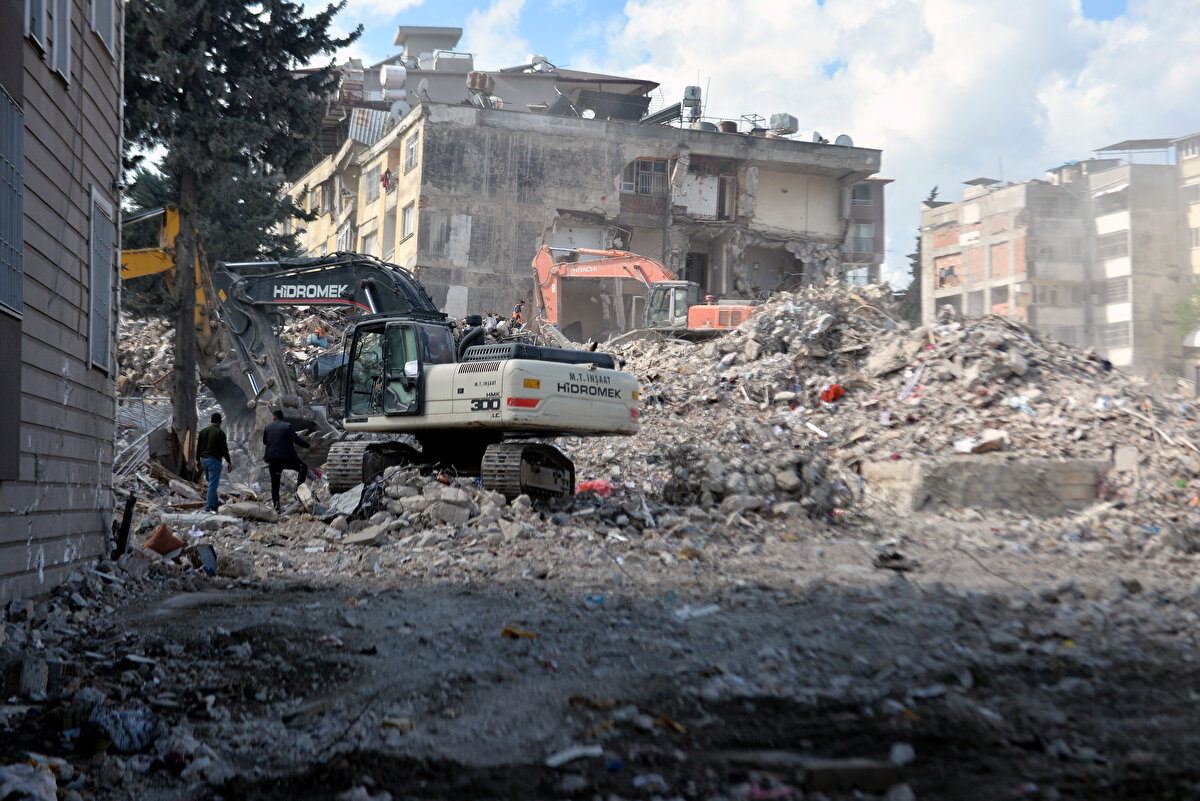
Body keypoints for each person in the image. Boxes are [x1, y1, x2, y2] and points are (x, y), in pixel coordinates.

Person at [262, 409, 314, 513]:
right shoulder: (287, 426)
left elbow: (264, 441)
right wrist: (309, 446)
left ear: (274, 417)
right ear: (282, 418)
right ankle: (299, 488)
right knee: (303, 467)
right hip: (287, 459)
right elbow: (297, 440)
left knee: (275, 485)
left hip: (273, 460)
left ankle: (277, 509)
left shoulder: (267, 427)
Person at [195, 412, 232, 513]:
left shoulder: (202, 432)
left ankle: (214, 505)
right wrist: (229, 461)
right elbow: (224, 450)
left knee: (211, 483)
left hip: (204, 461)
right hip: (214, 461)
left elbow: (198, 448)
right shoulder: (220, 433)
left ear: (211, 420)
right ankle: (207, 508)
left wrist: (197, 460)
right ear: (220, 422)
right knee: (212, 484)